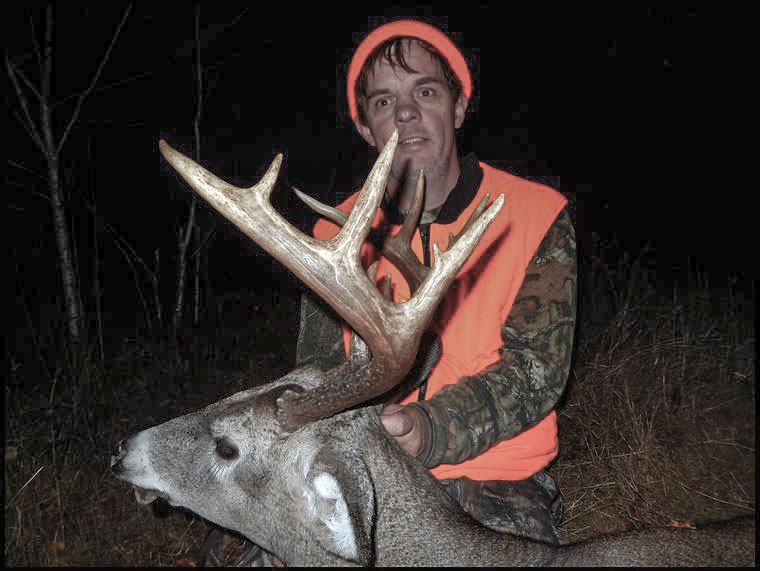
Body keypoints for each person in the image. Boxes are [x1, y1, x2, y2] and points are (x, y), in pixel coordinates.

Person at [204, 18, 576, 565]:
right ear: (365, 127)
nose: (405, 113)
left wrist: (430, 428)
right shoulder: (332, 238)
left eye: (425, 92)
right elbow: (319, 369)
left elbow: (535, 372)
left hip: (493, 476)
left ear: (458, 108)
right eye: (383, 101)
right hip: (366, 468)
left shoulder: (533, 215)